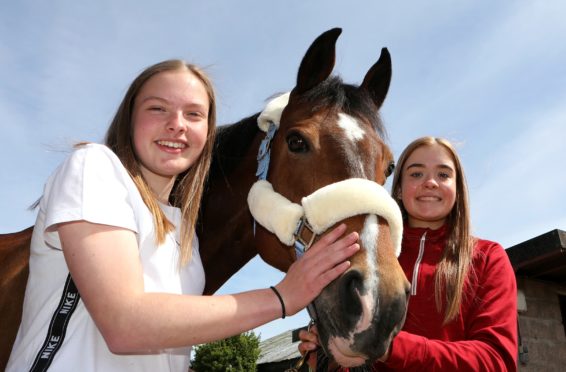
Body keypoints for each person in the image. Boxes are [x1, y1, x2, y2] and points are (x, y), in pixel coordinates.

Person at [6, 60, 360, 372]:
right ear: (130, 119)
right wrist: (282, 297)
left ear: (207, 132)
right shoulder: (95, 167)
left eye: (193, 114)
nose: (177, 124)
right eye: (157, 109)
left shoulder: (182, 233)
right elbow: (124, 324)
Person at [299, 136, 518, 371]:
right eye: (416, 174)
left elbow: (497, 361)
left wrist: (386, 345)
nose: (430, 182)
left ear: (457, 189)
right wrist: (330, 354)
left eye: (443, 175)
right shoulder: (368, 260)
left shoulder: (488, 257)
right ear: (400, 190)